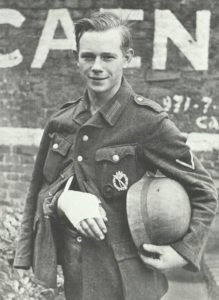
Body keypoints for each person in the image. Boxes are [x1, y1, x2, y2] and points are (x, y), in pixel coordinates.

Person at [14, 12, 218, 300]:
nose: (97, 67)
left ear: (128, 57)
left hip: (130, 283)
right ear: (76, 58)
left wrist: (182, 252)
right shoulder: (61, 121)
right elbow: (38, 190)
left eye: (108, 57)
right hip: (77, 278)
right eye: (88, 57)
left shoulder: (149, 123)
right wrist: (62, 201)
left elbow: (205, 191)